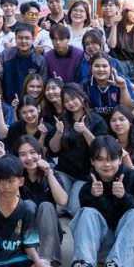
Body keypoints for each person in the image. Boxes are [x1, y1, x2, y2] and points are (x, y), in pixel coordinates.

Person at [65, 136, 134, 267]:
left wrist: (125, 197)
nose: (106, 164)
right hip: (107, 248)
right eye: (100, 159)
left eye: (111, 159)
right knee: (87, 212)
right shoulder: (88, 188)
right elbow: (94, 229)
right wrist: (96, 198)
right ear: (92, 161)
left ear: (120, 159)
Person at [49, 84, 108, 214]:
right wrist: (58, 132)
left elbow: (100, 150)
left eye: (73, 98)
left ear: (82, 97)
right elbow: (54, 149)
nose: (70, 103)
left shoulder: (97, 120)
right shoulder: (62, 119)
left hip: (85, 174)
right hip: (64, 170)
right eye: (66, 101)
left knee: (74, 210)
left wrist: (85, 131)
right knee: (59, 208)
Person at [15, 136, 66, 267]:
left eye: (33, 152)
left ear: (40, 154)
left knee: (46, 206)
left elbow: (62, 201)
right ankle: (28, 253)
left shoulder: (50, 173)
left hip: (49, 232)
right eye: (22, 154)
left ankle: (46, 258)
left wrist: (49, 173)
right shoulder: (16, 176)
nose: (29, 158)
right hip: (24, 231)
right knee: (28, 204)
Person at [0, 25, 45, 109]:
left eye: (27, 38)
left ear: (33, 39)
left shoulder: (39, 59)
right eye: (20, 38)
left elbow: (43, 83)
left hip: (30, 107)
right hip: (7, 104)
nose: (23, 41)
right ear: (15, 38)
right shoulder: (6, 54)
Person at [107, 0, 134, 88]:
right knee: (120, 91)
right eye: (133, 11)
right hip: (118, 65)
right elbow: (112, 45)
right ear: (125, 12)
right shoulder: (116, 27)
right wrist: (114, 25)